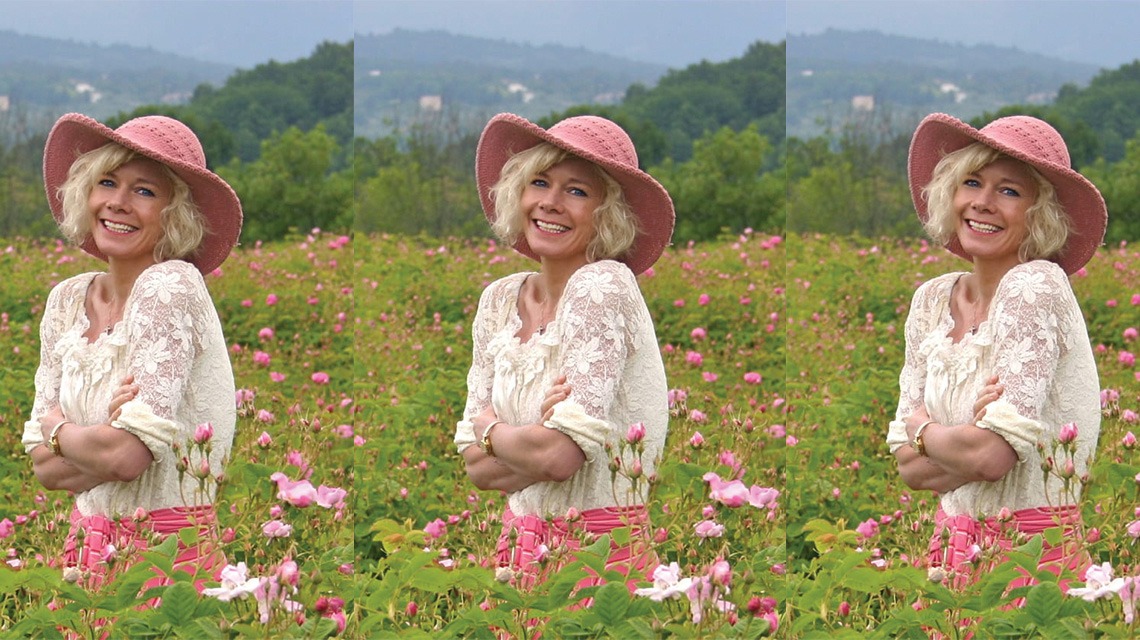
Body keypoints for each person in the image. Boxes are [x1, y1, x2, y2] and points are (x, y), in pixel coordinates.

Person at [23, 113, 242, 593]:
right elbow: (43, 468)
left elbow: (125, 458)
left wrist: (60, 427)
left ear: (175, 213)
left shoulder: (171, 284)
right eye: (107, 182)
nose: (118, 203)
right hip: (84, 557)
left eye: (144, 191)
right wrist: (101, 432)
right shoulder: (66, 300)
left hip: (168, 563)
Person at [454, 113, 674, 590]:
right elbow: (476, 468)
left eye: (577, 191)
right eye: (539, 182)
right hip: (516, 555)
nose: (550, 203)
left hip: (600, 562)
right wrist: (534, 433)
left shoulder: (603, 284)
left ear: (608, 214)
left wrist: (494, 427)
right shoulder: (498, 300)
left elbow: (557, 459)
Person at [887, 113, 1105, 594]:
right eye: (972, 182)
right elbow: (907, 467)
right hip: (948, 558)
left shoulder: (1036, 284)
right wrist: (963, 434)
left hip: (1033, 562)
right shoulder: (930, 300)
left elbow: (989, 458)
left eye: (1009, 191)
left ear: (1040, 213)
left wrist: (925, 427)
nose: (982, 203)